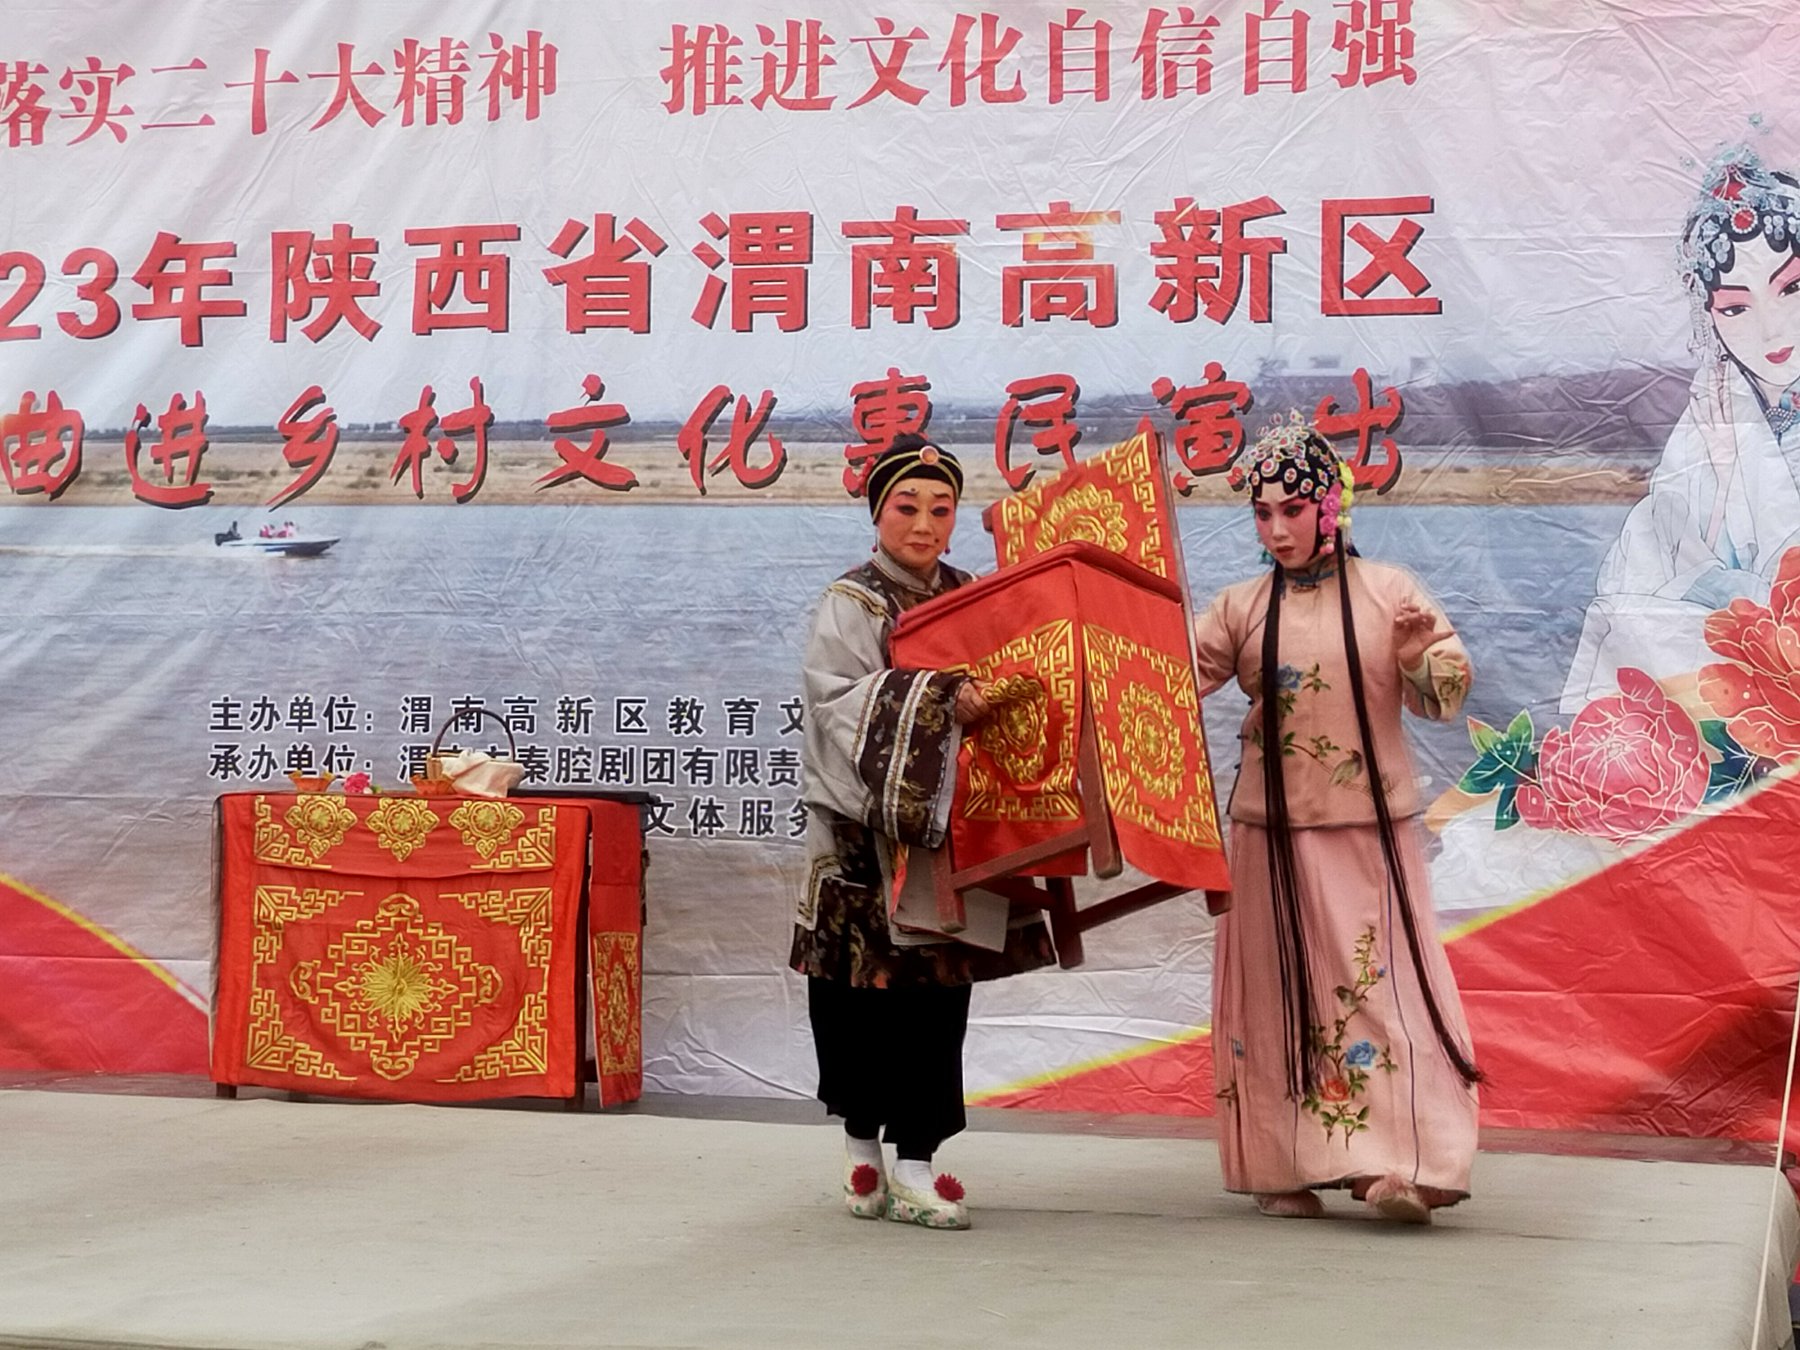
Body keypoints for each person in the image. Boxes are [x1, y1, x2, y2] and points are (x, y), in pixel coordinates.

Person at [1193, 413, 1482, 1223]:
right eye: (1263, 514)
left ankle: (1406, 1163)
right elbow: (1170, 679)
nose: (1278, 530)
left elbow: (1446, 693)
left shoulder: (1391, 592)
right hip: (1267, 833)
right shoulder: (1241, 607)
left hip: (1368, 828)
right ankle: (1282, 1164)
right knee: (1275, 996)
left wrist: (1419, 655)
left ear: (1331, 505)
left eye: (1293, 509)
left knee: (1381, 991)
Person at [789, 435, 1055, 1231]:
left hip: (950, 831)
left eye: (941, 509)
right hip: (864, 834)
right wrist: (940, 699)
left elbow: (1011, 680)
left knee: (937, 997)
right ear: (878, 513)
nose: (924, 524)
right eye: (907, 507)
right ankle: (860, 1141)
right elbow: (836, 706)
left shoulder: (970, 595)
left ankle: (916, 1158)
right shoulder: (853, 601)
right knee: (857, 997)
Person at [1563, 145, 1800, 709]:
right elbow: (1648, 568)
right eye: (1736, 308)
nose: (1771, 330)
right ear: (1709, 315)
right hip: (1746, 691)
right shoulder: (1711, 418)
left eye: (1792, 288)